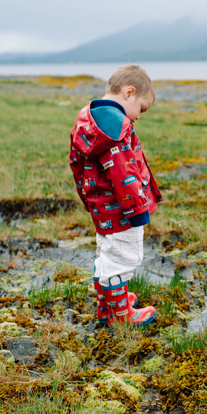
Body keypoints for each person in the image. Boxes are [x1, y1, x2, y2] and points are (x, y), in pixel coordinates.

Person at [69, 65, 162, 327]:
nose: (139, 117)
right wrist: (137, 210)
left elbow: (76, 165)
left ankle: (107, 307)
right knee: (123, 258)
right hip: (121, 211)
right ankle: (122, 316)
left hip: (103, 208)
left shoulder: (89, 120)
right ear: (129, 93)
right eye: (141, 108)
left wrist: (89, 201)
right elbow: (124, 175)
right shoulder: (116, 129)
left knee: (108, 255)